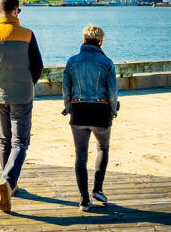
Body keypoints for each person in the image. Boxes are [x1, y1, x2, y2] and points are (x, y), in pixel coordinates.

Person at [0, 0, 43, 212]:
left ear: (0, 11)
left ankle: (9, 184)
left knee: (4, 140)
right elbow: (38, 66)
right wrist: (29, 82)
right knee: (20, 142)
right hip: (22, 94)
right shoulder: (28, 35)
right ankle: (8, 181)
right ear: (16, 11)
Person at [62, 23, 118, 212]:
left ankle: (84, 200)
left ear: (83, 40)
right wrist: (113, 110)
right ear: (101, 42)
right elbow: (112, 93)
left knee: (80, 156)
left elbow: (66, 91)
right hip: (100, 112)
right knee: (102, 147)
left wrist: (67, 108)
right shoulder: (107, 63)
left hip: (78, 111)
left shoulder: (72, 61)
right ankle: (98, 189)